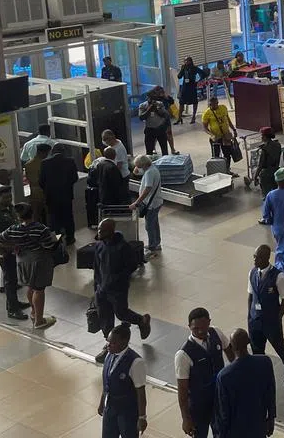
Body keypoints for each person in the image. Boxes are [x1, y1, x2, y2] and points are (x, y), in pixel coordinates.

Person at [0, 202, 60, 330]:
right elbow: (49, 245)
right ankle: (39, 321)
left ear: (18, 216)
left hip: (22, 260)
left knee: (30, 287)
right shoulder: (41, 229)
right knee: (39, 289)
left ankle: (34, 313)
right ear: (32, 213)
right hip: (38, 261)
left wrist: (13, 247)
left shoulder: (13, 229)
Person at [93, 218, 151, 363]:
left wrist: (118, 279)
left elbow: (131, 265)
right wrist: (97, 286)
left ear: (111, 231)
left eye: (102, 230)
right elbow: (97, 267)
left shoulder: (123, 247)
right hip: (102, 289)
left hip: (118, 289)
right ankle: (109, 345)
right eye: (99, 229)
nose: (99, 232)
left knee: (121, 312)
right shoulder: (99, 245)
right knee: (105, 318)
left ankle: (141, 320)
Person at [175, 308, 234, 438]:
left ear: (209, 322)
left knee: (223, 432)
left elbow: (230, 352)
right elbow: (182, 390)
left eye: (204, 327)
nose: (201, 331)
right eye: (196, 329)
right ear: (189, 326)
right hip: (199, 405)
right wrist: (185, 418)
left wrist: (234, 373)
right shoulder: (183, 355)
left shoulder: (216, 333)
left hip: (219, 397)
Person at [247, 244, 284, 389]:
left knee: (279, 346)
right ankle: (259, 374)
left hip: (271, 321)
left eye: (258, 257)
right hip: (255, 319)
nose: (255, 260)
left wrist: (278, 317)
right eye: (254, 256)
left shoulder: (278, 276)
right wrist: (249, 316)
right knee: (257, 350)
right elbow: (250, 296)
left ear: (266, 258)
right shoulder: (252, 273)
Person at [215, 328, 276, 438]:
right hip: (258, 425)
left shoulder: (224, 376)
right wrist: (271, 419)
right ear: (249, 341)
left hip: (236, 430)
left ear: (232, 346)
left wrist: (221, 434)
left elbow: (224, 411)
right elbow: (270, 393)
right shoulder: (265, 362)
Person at [0, 184, 31, 320]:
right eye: (5, 197)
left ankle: (14, 303)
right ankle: (13, 310)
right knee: (9, 280)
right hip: (3, 251)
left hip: (13, 249)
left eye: (10, 196)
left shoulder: (11, 209)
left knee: (14, 279)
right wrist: (2, 252)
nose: (8, 199)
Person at [98, 324, 148, 438]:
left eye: (113, 342)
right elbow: (107, 382)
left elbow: (140, 392)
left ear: (124, 342)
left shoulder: (135, 362)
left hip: (127, 411)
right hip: (110, 407)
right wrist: (102, 403)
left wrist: (142, 417)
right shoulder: (109, 355)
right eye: (108, 341)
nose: (108, 345)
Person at [41, 144, 78, 245]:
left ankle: (56, 240)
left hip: (51, 197)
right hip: (66, 195)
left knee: (53, 220)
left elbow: (41, 181)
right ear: (64, 151)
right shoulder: (70, 161)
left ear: (52, 151)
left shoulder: (45, 163)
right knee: (68, 217)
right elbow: (75, 178)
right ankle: (70, 238)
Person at [130, 155, 163, 258]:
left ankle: (153, 245)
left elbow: (147, 189)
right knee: (154, 223)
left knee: (149, 225)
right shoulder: (152, 168)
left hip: (151, 204)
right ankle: (156, 242)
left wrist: (137, 202)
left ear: (143, 165)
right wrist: (137, 167)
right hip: (156, 202)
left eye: (139, 166)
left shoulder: (149, 173)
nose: (138, 167)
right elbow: (136, 172)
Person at [89, 147, 130, 213]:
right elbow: (116, 185)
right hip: (112, 198)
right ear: (114, 155)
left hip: (102, 194)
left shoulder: (100, 164)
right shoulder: (112, 168)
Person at [203, 96, 236, 168]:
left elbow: (228, 119)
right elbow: (205, 128)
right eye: (213, 104)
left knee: (227, 154)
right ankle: (217, 170)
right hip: (216, 138)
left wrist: (233, 129)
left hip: (226, 136)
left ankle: (227, 170)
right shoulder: (207, 113)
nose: (215, 105)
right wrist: (212, 135)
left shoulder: (223, 108)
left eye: (216, 103)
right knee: (216, 156)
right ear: (210, 104)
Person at [139, 90, 171, 156]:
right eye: (151, 98)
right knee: (149, 151)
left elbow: (165, 115)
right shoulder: (142, 105)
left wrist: (156, 110)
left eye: (154, 98)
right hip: (150, 130)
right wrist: (149, 109)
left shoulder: (160, 104)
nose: (153, 100)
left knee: (164, 149)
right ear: (147, 97)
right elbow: (141, 117)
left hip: (160, 128)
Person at [23, 143, 50, 223]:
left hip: (33, 194)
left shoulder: (28, 164)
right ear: (42, 152)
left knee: (36, 217)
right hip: (44, 193)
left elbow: (29, 179)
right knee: (47, 217)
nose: (47, 155)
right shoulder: (45, 164)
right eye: (46, 153)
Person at [254, 128, 283, 198]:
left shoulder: (264, 149)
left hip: (266, 174)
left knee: (267, 195)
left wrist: (255, 176)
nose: (261, 137)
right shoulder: (278, 145)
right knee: (276, 193)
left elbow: (260, 165)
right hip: (276, 171)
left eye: (262, 135)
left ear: (265, 137)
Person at [177, 57, 205, 124]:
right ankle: (179, 117)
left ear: (191, 61)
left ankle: (193, 117)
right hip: (185, 86)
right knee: (181, 102)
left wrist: (198, 81)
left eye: (187, 61)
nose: (186, 62)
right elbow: (179, 76)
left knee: (194, 101)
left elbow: (203, 74)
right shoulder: (184, 68)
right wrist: (182, 69)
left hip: (192, 86)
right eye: (185, 61)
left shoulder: (194, 68)